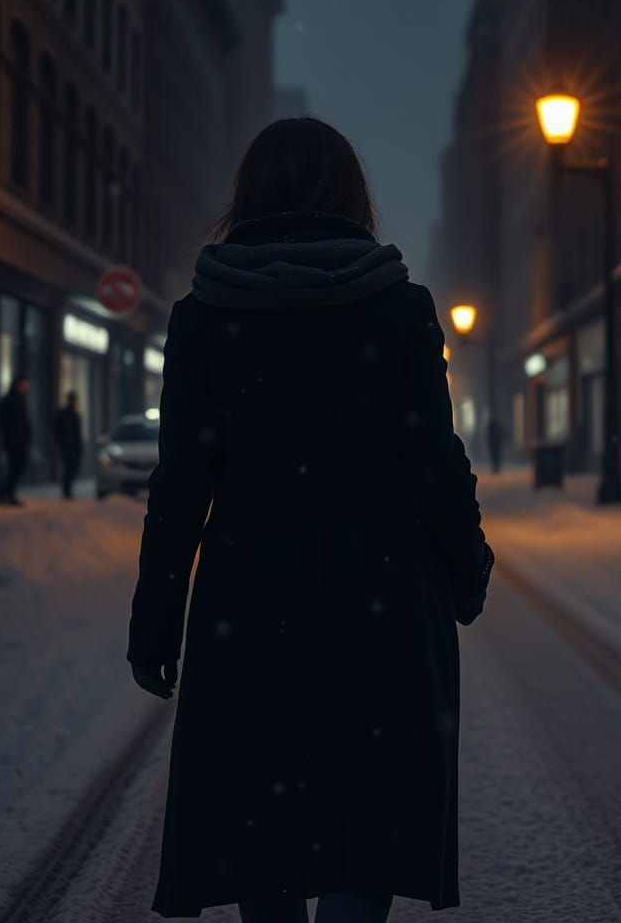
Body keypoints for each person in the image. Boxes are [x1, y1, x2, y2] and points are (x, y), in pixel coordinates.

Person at [127, 118, 494, 923]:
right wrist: (468, 573)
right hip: (383, 599)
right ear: (350, 198)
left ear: (247, 198)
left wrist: (156, 625)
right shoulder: (398, 309)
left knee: (264, 832)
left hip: (249, 607)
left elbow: (181, 486)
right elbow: (434, 460)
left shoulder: (203, 316)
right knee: (368, 823)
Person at [0, 376, 32, 507]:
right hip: (14, 440)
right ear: (18, 384)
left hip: (19, 440)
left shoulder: (20, 399)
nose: (27, 388)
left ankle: (5, 491)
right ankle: (6, 492)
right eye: (25, 385)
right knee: (16, 467)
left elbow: (24, 421)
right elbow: (7, 423)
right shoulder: (10, 400)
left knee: (18, 467)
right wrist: (12, 438)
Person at [53, 392, 83, 499]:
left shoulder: (75, 414)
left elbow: (77, 433)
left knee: (72, 468)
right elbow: (57, 430)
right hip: (66, 447)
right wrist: (61, 443)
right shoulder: (64, 414)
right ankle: (66, 490)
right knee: (68, 468)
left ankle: (67, 489)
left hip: (73, 447)